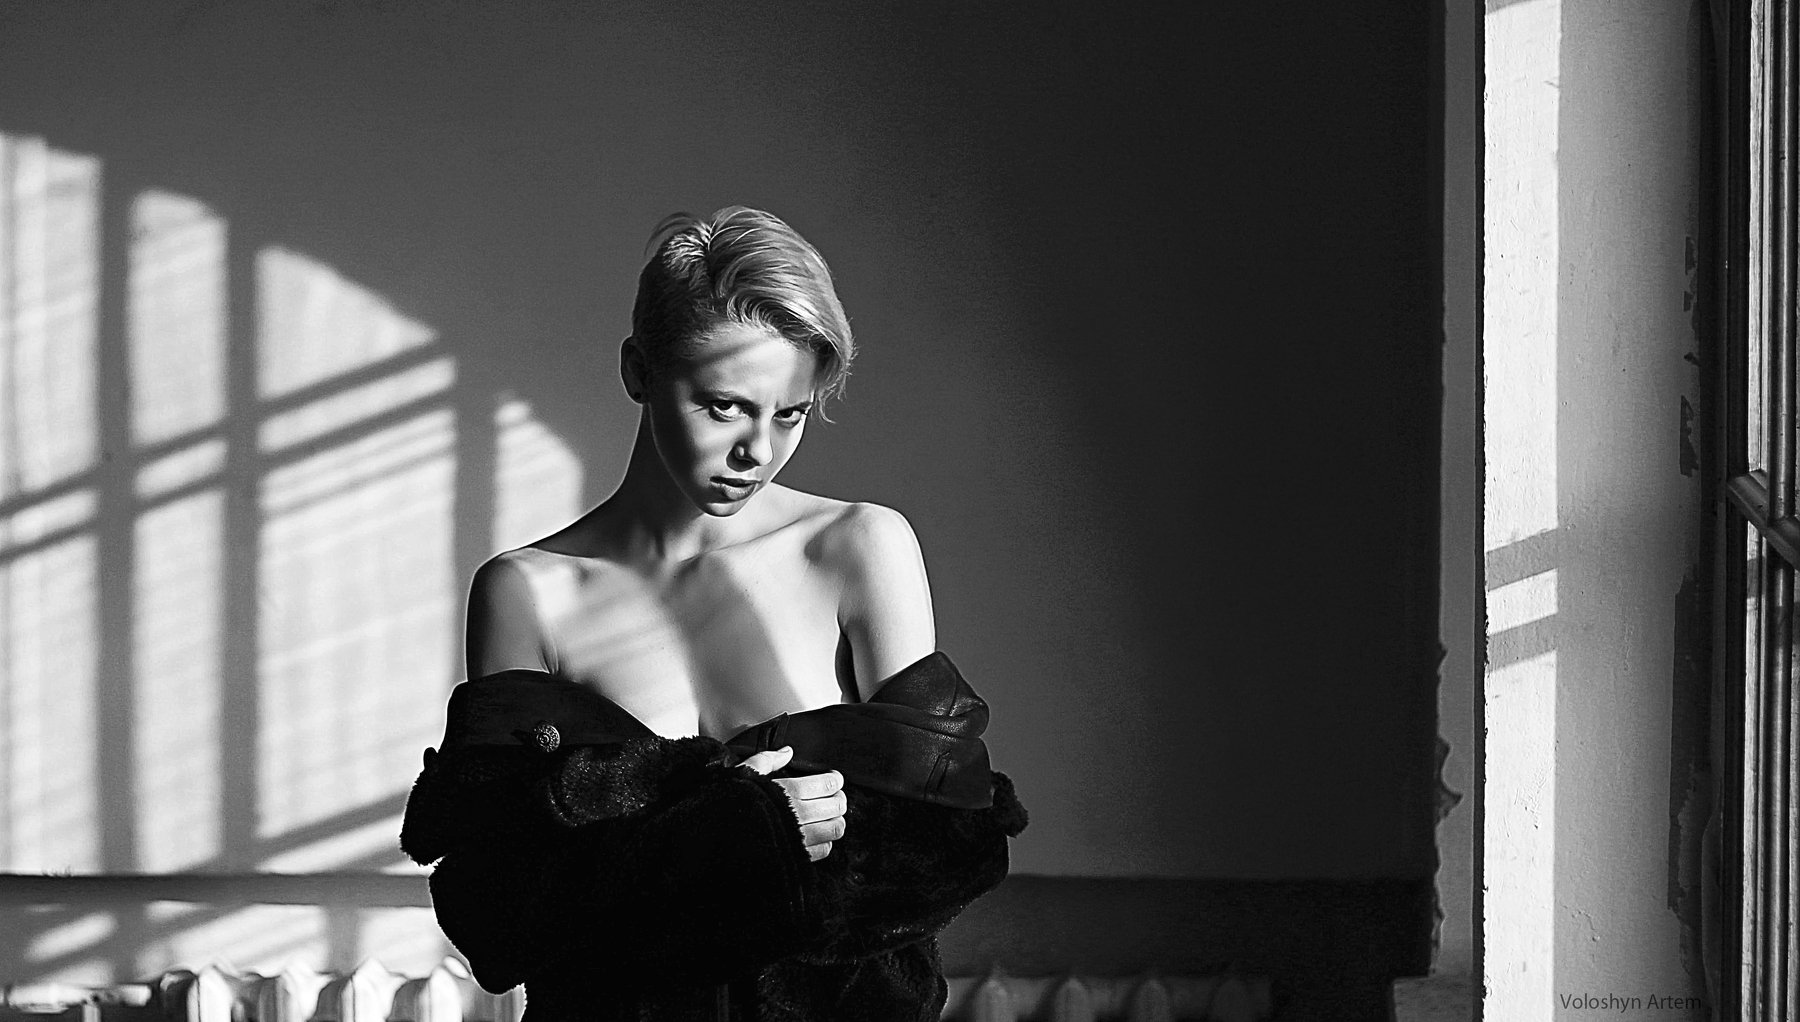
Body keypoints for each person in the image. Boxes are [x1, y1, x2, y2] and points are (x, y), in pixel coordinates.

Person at [400, 207, 1027, 1021]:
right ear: (638, 370)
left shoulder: (856, 548)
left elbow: (949, 849)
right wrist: (741, 835)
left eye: (790, 414)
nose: (757, 452)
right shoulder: (526, 591)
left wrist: (660, 853)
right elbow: (502, 911)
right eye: (725, 406)